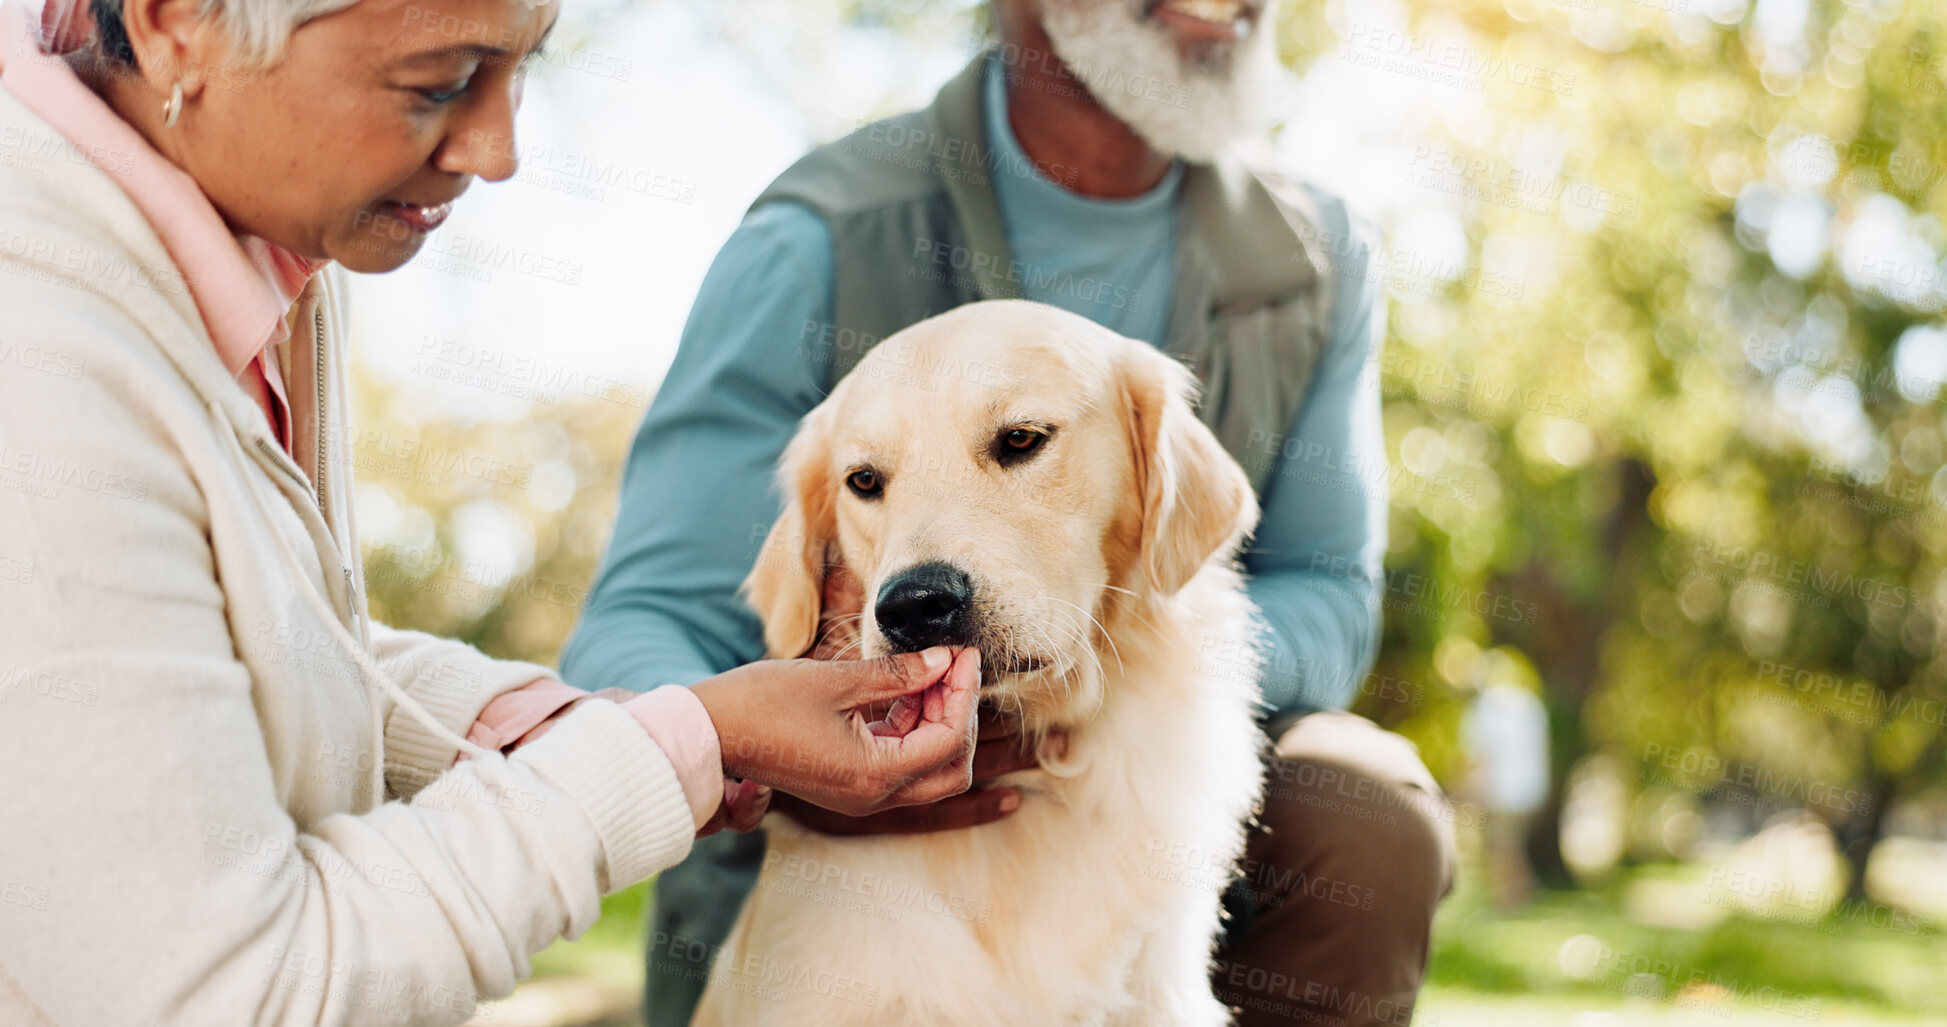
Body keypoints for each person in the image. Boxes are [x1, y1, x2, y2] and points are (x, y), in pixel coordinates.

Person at [0, 0, 985, 1021]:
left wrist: (596, 729)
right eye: (437, 83)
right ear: (175, 24)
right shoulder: (38, 370)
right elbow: (224, 992)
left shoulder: (248, 242)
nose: (499, 150)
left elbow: (255, 656)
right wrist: (670, 747)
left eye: (524, 69)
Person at [563, 1, 1457, 1024]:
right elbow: (640, 625)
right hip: (835, 882)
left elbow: (1328, 595)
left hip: (1153, 785)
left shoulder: (1315, 253)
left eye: (1021, 441)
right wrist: (781, 753)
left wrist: (1118, 683)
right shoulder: (814, 236)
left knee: (1371, 812)